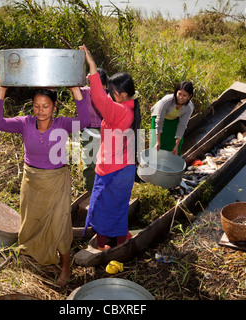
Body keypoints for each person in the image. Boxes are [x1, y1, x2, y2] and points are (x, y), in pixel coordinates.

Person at [0, 76, 90, 286]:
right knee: (30, 221)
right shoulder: (25, 123)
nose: (40, 110)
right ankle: (30, 257)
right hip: (32, 181)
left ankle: (65, 267)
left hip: (56, 182)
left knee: (60, 224)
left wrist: (75, 91)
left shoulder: (62, 124)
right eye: (36, 106)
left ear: (54, 106)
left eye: (45, 106)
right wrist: (1, 90)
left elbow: (86, 121)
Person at [80, 45, 141, 250]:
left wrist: (92, 66)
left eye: (112, 91)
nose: (109, 94)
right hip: (124, 169)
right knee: (117, 207)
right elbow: (104, 99)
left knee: (102, 209)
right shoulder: (128, 108)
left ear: (122, 94)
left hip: (112, 170)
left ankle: (102, 245)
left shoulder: (119, 112)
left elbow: (98, 98)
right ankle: (122, 237)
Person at [80, 68, 108, 191]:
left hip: (105, 130)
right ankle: (90, 189)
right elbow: (74, 86)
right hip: (89, 131)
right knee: (90, 162)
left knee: (102, 162)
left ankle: (100, 187)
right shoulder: (85, 92)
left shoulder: (108, 93)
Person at [150, 81, 194, 156]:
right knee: (157, 144)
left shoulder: (189, 107)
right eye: (179, 94)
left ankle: (171, 160)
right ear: (176, 92)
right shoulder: (167, 101)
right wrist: (158, 142)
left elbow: (182, 125)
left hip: (174, 119)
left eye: (184, 95)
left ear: (189, 96)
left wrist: (176, 146)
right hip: (159, 118)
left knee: (173, 143)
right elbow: (159, 121)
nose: (181, 97)